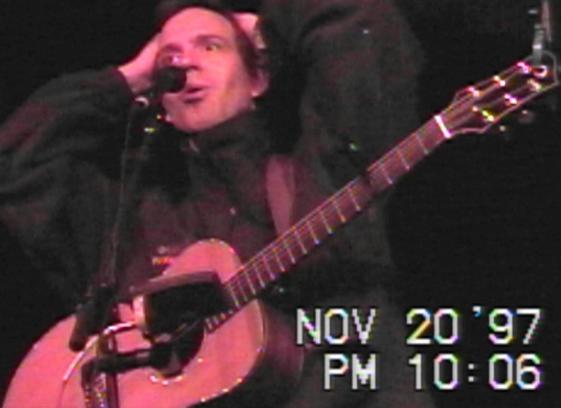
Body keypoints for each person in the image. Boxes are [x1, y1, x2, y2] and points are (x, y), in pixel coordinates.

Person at [0, 0, 433, 407]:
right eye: (170, 58)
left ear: (258, 78)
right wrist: (129, 78)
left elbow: (367, 36)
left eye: (210, 47)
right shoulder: (132, 221)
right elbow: (17, 160)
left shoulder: (317, 177)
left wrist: (270, 26)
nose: (185, 64)